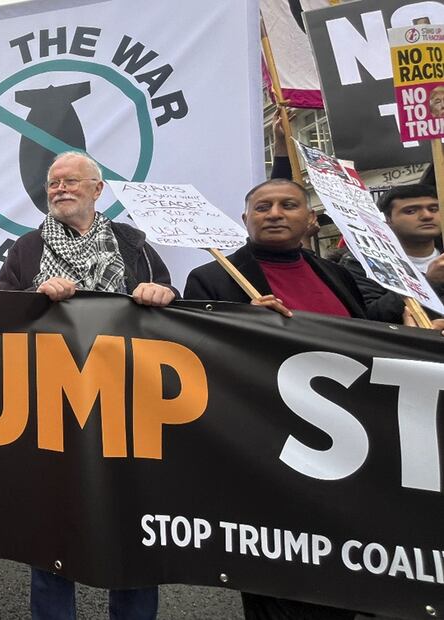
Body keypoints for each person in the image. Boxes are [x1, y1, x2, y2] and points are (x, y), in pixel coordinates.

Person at [0, 151, 174, 620]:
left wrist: (162, 294)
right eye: (54, 183)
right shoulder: (26, 249)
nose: (60, 189)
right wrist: (34, 297)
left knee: (133, 526)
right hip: (50, 406)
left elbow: (171, 305)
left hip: (126, 405)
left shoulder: (134, 245)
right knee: (53, 527)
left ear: (97, 190)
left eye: (72, 181)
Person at [184, 178, 366, 620]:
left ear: (310, 219)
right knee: (277, 580)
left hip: (346, 453)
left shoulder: (339, 276)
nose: (275, 214)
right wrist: (242, 325)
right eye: (262, 207)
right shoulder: (212, 278)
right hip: (265, 451)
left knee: (342, 574)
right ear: (245, 219)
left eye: (288, 205)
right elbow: (193, 356)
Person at [339, 184, 443, 323]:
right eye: (411, 211)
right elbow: (369, 316)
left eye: (433, 209)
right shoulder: (363, 264)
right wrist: (429, 284)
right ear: (388, 219)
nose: (427, 216)